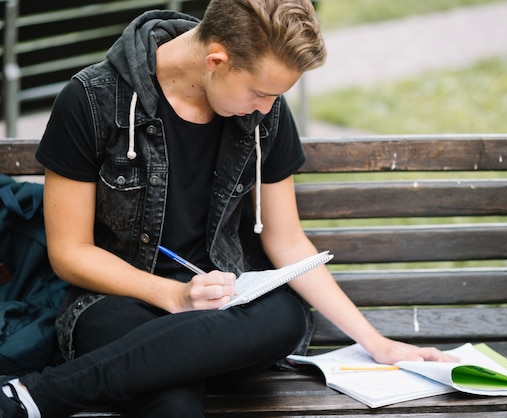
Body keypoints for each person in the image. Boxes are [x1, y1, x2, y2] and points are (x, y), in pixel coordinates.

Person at [0, 1, 455, 417]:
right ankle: (48, 394)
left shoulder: (265, 113)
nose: (268, 107)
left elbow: (286, 238)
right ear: (216, 60)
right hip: (119, 302)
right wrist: (173, 296)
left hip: (227, 305)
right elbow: (70, 252)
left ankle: (36, 397)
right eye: (260, 92)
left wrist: (375, 342)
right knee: (173, 403)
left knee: (285, 316)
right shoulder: (92, 101)